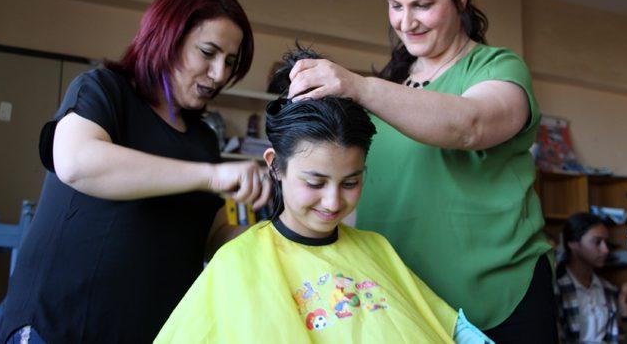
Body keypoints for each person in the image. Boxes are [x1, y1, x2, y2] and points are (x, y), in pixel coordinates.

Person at [287, 0, 554, 341]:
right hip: (403, 304)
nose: (406, 22)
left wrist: (358, 86)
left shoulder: (498, 68)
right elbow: (360, 192)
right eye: (396, 6)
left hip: (498, 301)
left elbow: (470, 124)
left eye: (422, 5)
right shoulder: (390, 88)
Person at [155, 46, 493, 343]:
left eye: (350, 183)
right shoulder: (236, 262)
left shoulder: (377, 248)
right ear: (275, 166)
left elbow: (444, 326)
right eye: (315, 183)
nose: (333, 202)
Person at [0, 0, 270, 343]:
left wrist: (278, 230)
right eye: (208, 53)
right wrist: (209, 175)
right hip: (61, 326)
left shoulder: (203, 139)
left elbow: (212, 235)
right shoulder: (104, 90)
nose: (220, 74)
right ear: (167, 38)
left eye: (230, 62)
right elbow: (76, 162)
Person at [556, 213, 627, 343]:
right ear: (573, 244)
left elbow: (620, 338)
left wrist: (626, 316)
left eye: (606, 243)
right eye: (597, 242)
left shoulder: (610, 290)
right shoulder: (556, 290)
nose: (605, 250)